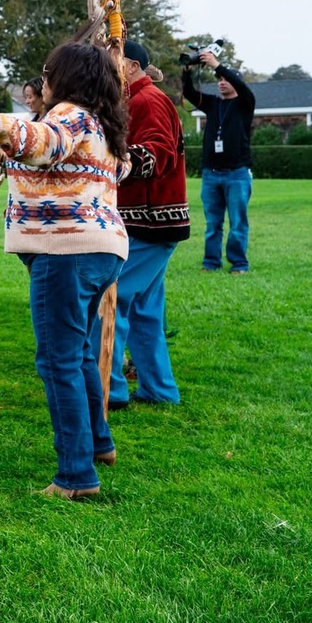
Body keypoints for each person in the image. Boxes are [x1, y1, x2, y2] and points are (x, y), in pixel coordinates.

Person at [0, 42, 130, 500]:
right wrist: (8, 156)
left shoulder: (69, 115)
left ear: (66, 79)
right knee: (75, 354)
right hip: (98, 252)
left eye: (47, 73)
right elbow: (68, 161)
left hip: (66, 254)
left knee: (57, 360)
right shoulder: (100, 121)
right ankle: (98, 445)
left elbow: (44, 142)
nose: (43, 81)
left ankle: (75, 477)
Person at [93, 41, 188, 408]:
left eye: (111, 63)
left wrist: (112, 162)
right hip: (157, 221)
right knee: (146, 312)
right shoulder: (139, 100)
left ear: (132, 66)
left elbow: (159, 150)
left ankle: (112, 389)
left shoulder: (146, 101)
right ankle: (159, 390)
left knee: (111, 300)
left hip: (149, 222)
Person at [183, 49, 255, 273]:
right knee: (213, 224)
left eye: (225, 79)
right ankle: (211, 263)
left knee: (237, 223)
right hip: (211, 174)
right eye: (219, 80)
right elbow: (189, 93)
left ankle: (239, 264)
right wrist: (187, 70)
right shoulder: (213, 104)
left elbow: (242, 88)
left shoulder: (245, 103)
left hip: (237, 174)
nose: (221, 82)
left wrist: (216, 64)